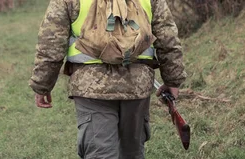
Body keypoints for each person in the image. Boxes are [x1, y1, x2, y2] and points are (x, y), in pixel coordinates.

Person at [28, 0, 187, 158]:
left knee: (100, 152)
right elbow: (168, 38)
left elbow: (51, 42)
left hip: (91, 88)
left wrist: (43, 85)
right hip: (137, 86)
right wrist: (173, 80)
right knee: (132, 152)